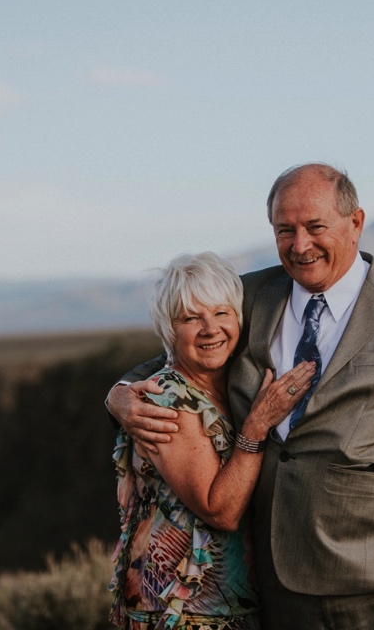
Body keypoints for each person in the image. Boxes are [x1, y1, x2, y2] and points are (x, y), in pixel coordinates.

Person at [107, 164, 374, 630]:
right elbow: (182, 349)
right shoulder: (252, 294)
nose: (300, 246)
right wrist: (119, 394)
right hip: (275, 589)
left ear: (356, 222)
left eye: (315, 227)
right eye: (285, 230)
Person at [108, 251, 317, 630]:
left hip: (228, 606)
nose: (210, 328)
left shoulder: (227, 384)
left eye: (221, 313)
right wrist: (257, 427)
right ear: (169, 329)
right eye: (191, 318)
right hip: (180, 611)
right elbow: (220, 509)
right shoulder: (166, 398)